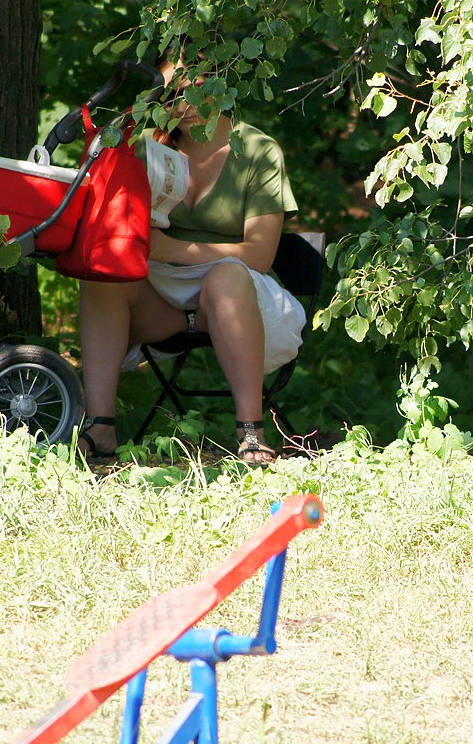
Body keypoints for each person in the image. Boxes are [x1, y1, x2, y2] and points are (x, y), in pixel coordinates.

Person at [75, 61, 303, 465]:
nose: (183, 104)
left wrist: (171, 250)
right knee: (102, 276)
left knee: (227, 278)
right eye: (171, 94)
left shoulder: (257, 150)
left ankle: (252, 434)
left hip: (239, 294)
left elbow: (259, 256)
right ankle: (101, 426)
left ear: (221, 84)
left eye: (193, 89)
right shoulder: (148, 147)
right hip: (164, 301)